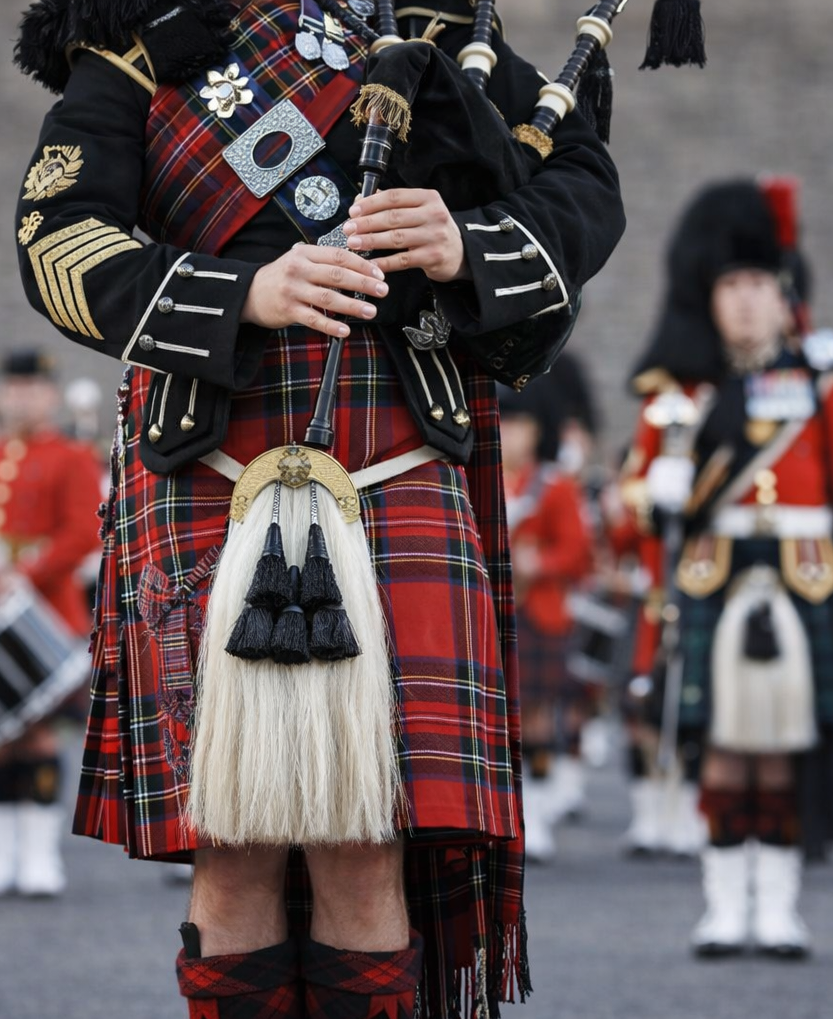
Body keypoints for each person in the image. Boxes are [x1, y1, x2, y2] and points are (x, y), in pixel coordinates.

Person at [14, 1, 623, 1016]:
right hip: (208, 461)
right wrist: (240, 295)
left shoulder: (438, 32)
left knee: (364, 837)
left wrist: (467, 239)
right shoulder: (140, 42)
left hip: (399, 459)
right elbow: (55, 238)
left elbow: (582, 181)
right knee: (235, 841)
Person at [622, 178, 833, 958]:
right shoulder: (683, 393)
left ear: (783, 294)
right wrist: (653, 489)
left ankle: (779, 907)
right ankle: (722, 905)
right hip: (713, 574)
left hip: (804, 575)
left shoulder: (819, 385)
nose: (743, 300)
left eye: (758, 285)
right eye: (730, 285)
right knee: (723, 746)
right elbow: (636, 495)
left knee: (786, 748)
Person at [0, 349, 102, 896]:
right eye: (13, 388)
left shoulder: (69, 457)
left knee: (39, 734)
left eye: (32, 388)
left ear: (49, 394)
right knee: (2, 738)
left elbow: (83, 533)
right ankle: (5, 851)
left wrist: (28, 570)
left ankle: (39, 856)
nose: (21, 398)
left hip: (50, 611)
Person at [498, 383, 592, 862]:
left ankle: (534, 810)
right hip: (495, 613)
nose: (510, 434)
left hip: (540, 613)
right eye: (503, 423)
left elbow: (577, 552)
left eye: (519, 425)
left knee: (535, 716)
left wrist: (541, 565)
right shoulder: (484, 480)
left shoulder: (555, 487)